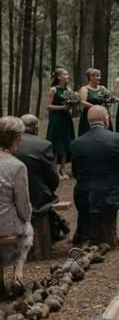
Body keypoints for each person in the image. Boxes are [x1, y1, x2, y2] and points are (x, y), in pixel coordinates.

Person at [71, 106, 119, 245]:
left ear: (88, 122)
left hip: (84, 195)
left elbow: (76, 172)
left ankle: (80, 231)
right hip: (111, 192)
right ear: (106, 120)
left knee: (83, 188)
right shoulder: (117, 139)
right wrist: (115, 176)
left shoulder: (76, 143)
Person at [14, 114, 69, 242]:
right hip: (38, 196)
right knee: (46, 200)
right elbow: (52, 177)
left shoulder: (9, 145)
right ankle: (55, 226)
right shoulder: (43, 145)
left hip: (12, 196)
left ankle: (56, 224)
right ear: (36, 128)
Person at [0, 116, 33, 291]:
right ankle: (17, 274)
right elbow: (23, 205)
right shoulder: (17, 166)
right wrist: (27, 217)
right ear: (15, 138)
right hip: (6, 226)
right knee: (27, 229)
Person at [46, 67, 75, 180]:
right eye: (65, 74)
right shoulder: (53, 90)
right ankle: (54, 170)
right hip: (56, 119)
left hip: (66, 118)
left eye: (68, 74)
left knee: (65, 142)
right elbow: (48, 106)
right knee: (56, 142)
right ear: (59, 77)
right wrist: (62, 107)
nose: (68, 76)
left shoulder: (69, 90)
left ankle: (62, 169)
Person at [78, 68, 112, 136]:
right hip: (89, 116)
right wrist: (96, 108)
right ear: (91, 77)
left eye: (99, 76)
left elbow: (108, 99)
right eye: (97, 76)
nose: (99, 78)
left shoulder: (102, 88)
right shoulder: (84, 89)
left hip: (102, 116)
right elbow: (83, 102)